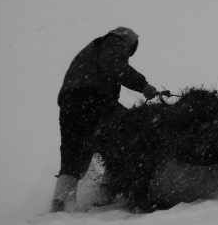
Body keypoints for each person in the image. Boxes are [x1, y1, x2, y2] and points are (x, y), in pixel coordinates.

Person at [51, 27, 159, 212]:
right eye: (131, 50)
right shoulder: (114, 41)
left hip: (70, 104)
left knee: (73, 155)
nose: (128, 54)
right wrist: (143, 85)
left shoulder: (94, 50)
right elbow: (115, 66)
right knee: (128, 129)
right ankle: (107, 191)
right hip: (91, 98)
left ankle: (61, 206)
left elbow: (108, 71)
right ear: (129, 43)